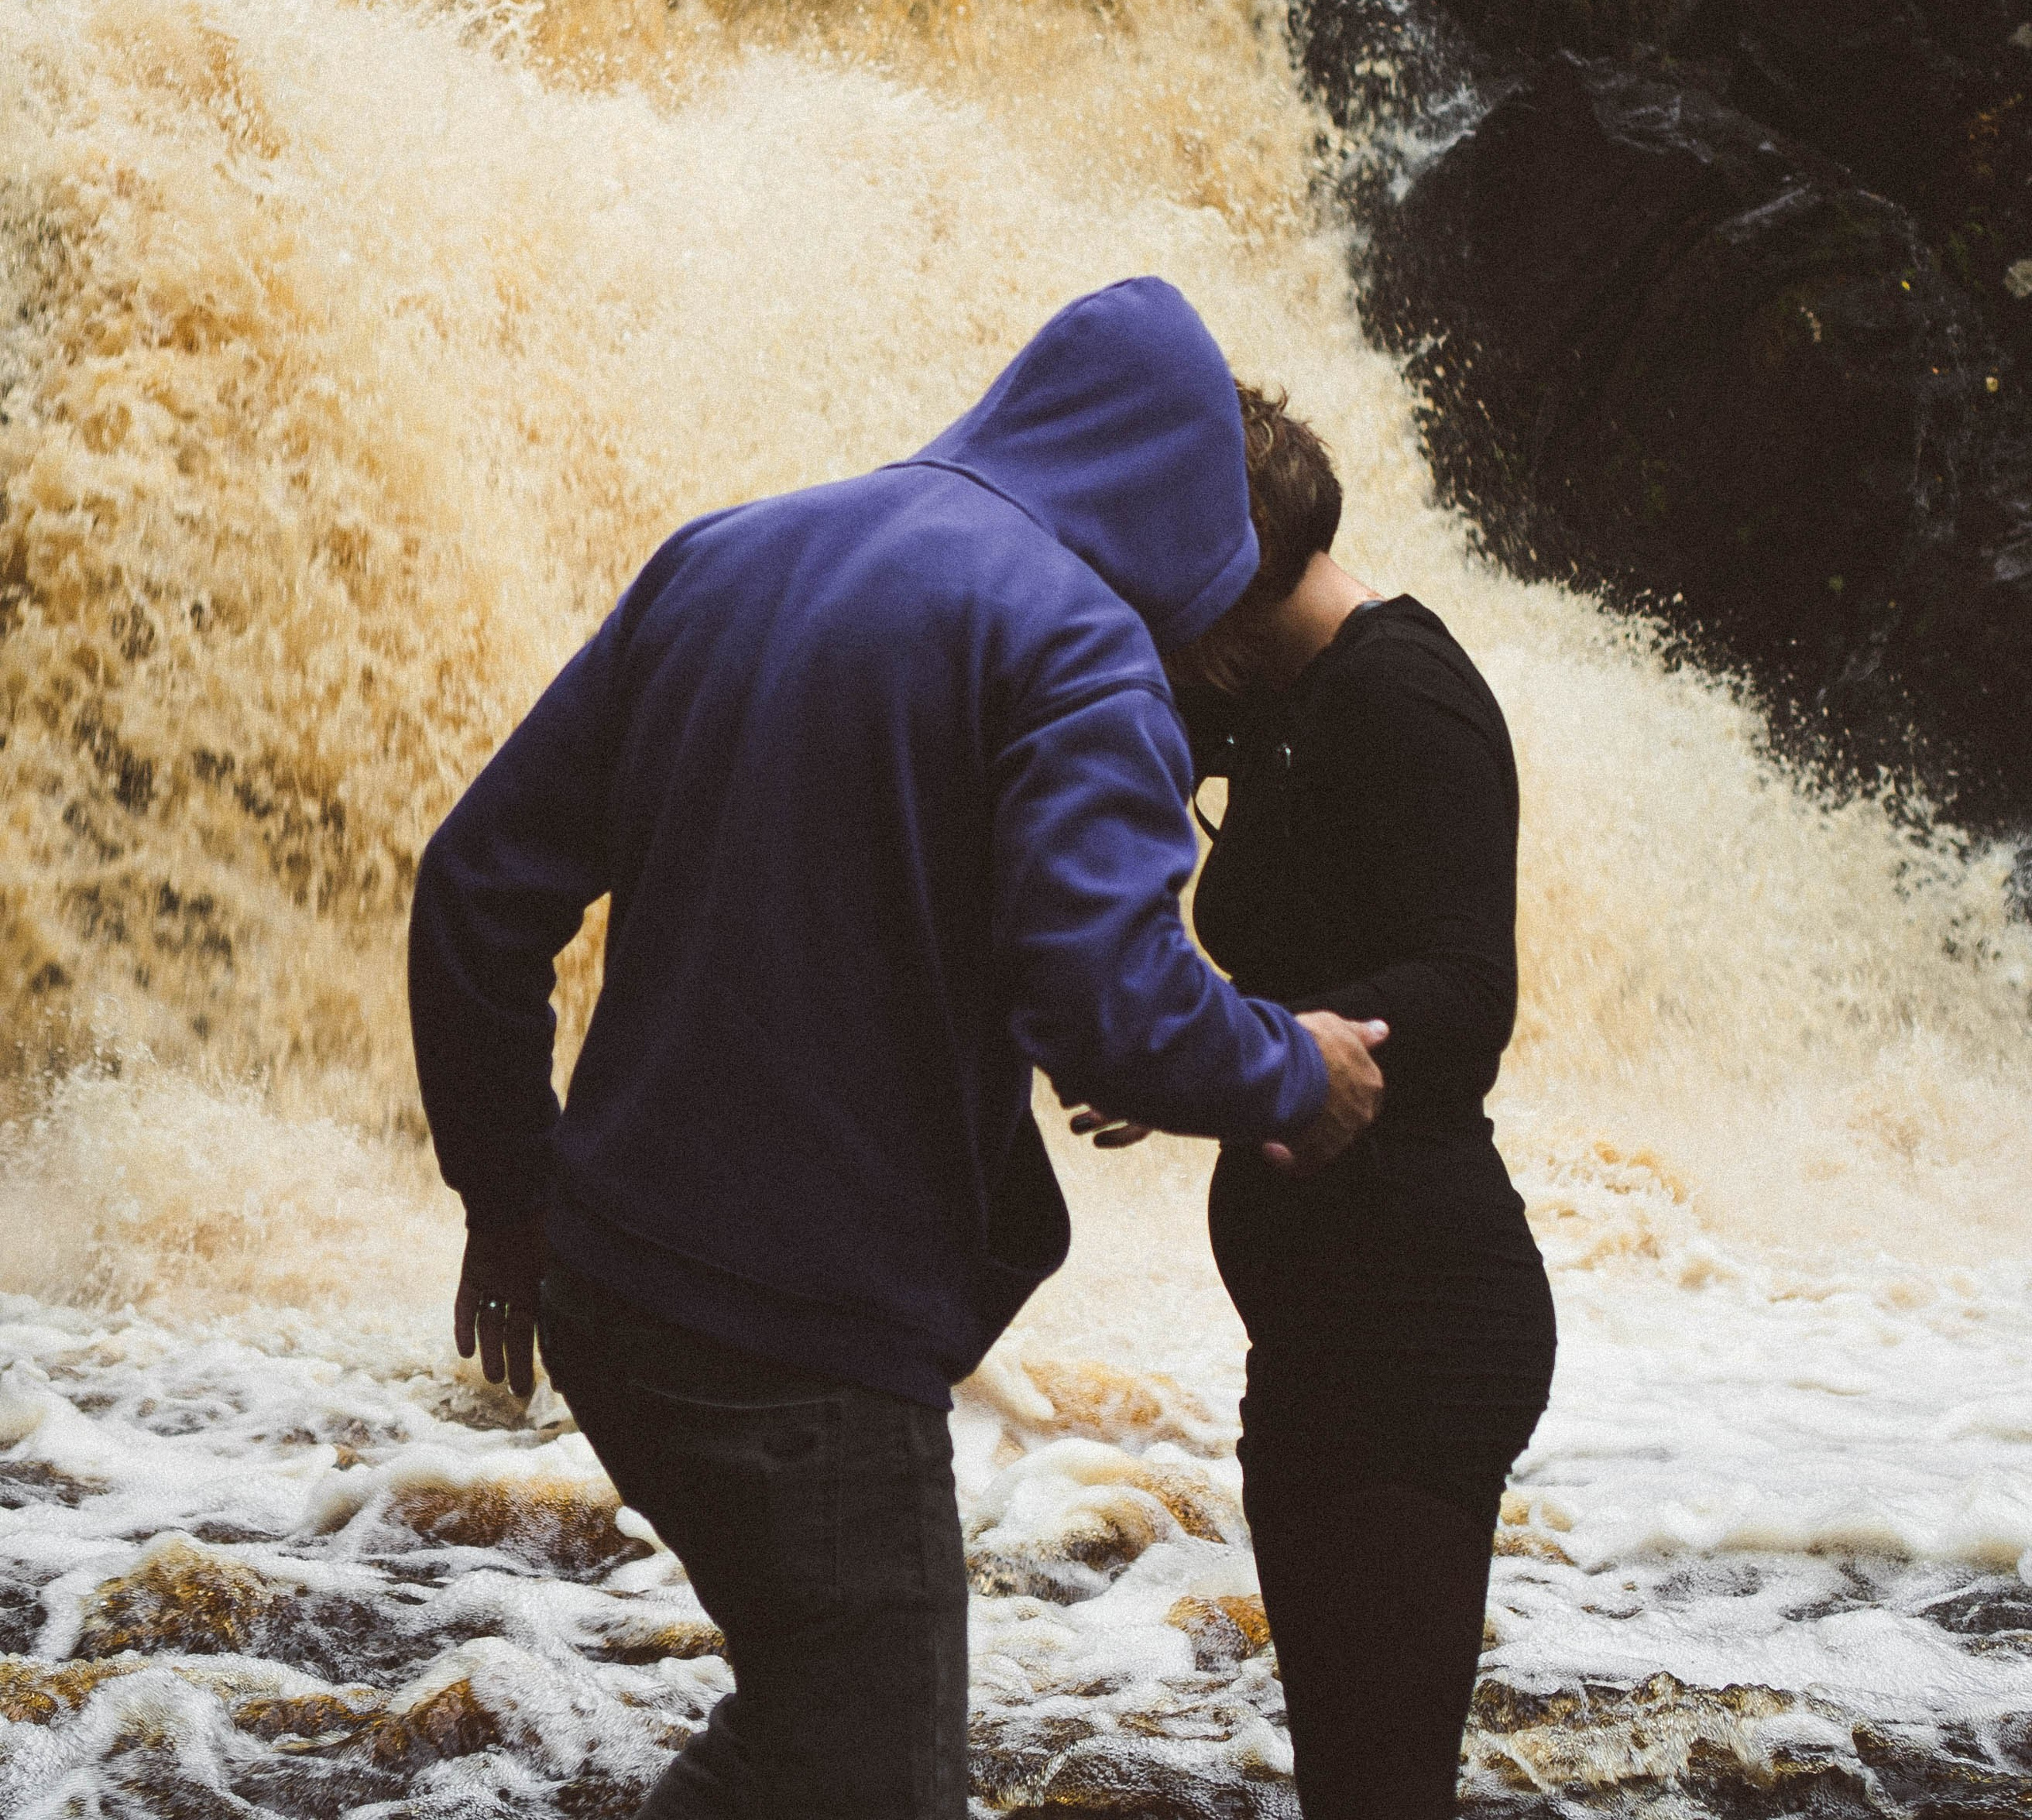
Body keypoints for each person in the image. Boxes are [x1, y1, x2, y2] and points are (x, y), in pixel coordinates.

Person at [407, 279, 1389, 1820]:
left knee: (810, 1741)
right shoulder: (1080, 653)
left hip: (609, 1292)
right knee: (871, 1778)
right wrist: (1291, 1068)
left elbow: (474, 888)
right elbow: (1112, 1010)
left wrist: (505, 1196)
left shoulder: (725, 553)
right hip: (796, 1345)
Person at [1079, 383, 1555, 1819]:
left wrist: (1245, 1043)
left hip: (1418, 1335)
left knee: (1378, 1793)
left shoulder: (1400, 698)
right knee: (1350, 1785)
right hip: (1325, 1333)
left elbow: (1470, 998)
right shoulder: (1274, 702)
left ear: (1235, 563)